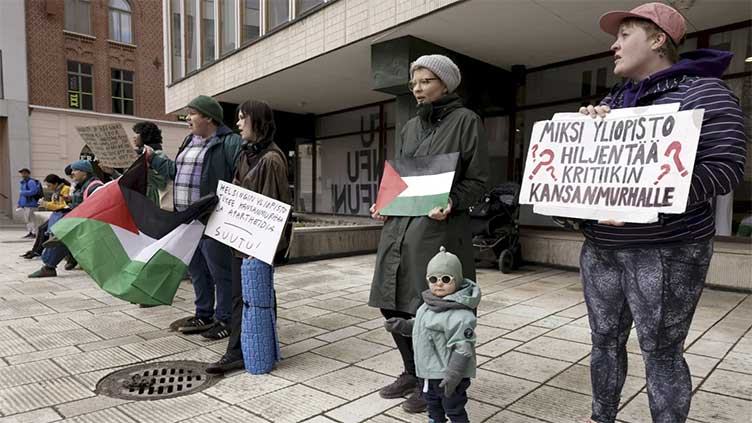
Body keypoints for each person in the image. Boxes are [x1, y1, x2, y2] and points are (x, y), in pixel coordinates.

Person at [573, 3, 746, 423]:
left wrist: (648, 198)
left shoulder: (703, 93)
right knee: (603, 343)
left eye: (624, 35)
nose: (613, 46)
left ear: (657, 40)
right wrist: (582, 140)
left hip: (667, 250)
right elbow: (580, 179)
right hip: (601, 247)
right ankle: (602, 418)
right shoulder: (610, 104)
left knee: (662, 353)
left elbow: (726, 168)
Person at [368, 54, 488, 413]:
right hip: (398, 228)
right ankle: (411, 370)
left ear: (446, 84)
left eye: (426, 81)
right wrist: (384, 202)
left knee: (429, 308)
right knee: (390, 301)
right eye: (414, 83)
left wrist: (452, 201)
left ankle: (431, 381)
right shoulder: (409, 127)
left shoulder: (466, 121)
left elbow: (479, 181)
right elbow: (403, 180)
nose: (417, 89)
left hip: (438, 230)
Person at [206, 99, 292, 374]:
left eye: (243, 118)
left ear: (257, 120)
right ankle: (257, 346)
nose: (238, 123)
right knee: (244, 295)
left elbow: (274, 207)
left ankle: (239, 352)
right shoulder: (246, 153)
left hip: (255, 244)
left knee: (252, 294)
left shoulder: (271, 159)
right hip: (241, 241)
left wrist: (266, 246)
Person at [147, 95, 243, 339]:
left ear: (209, 117)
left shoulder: (229, 142)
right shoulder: (189, 139)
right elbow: (176, 173)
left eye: (192, 113)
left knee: (220, 272)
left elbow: (240, 178)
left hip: (212, 219)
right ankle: (204, 314)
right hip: (186, 219)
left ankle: (226, 320)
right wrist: (154, 159)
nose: (187, 118)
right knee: (197, 270)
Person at [384, 246, 480, 423]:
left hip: (448, 374)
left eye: (446, 278)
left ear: (457, 280)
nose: (439, 284)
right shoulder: (427, 305)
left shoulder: (460, 315)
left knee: (453, 408)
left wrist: (454, 375)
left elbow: (463, 347)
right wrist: (403, 325)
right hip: (427, 371)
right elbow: (420, 326)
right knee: (432, 405)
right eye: (433, 279)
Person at [29, 160, 103, 278]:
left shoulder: (94, 186)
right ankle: (52, 262)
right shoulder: (83, 185)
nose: (72, 173)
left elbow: (96, 206)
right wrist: (71, 199)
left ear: (85, 173)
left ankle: (50, 266)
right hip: (80, 219)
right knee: (59, 231)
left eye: (75, 170)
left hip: (90, 222)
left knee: (62, 236)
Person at [21, 174, 71, 259]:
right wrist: (45, 203)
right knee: (41, 228)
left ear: (55, 183)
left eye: (49, 185)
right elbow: (54, 203)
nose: (48, 188)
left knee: (44, 229)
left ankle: (38, 251)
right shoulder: (56, 190)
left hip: (63, 214)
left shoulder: (65, 189)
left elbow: (63, 205)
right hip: (57, 214)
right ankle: (35, 250)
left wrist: (46, 205)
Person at [133, 121, 172, 210]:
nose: (134, 137)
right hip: (140, 203)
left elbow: (162, 182)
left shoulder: (158, 155)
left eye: (137, 133)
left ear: (145, 136)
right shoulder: (138, 155)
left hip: (153, 205)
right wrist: (112, 172)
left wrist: (144, 167)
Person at [17, 168, 42, 238]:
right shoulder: (23, 183)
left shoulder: (31, 182)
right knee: (27, 219)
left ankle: (34, 233)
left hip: (31, 204)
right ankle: (30, 232)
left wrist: (23, 192)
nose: (23, 174)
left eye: (24, 173)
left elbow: (34, 191)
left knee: (32, 219)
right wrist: (19, 203)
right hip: (25, 204)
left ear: (28, 174)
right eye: (22, 173)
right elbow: (21, 195)